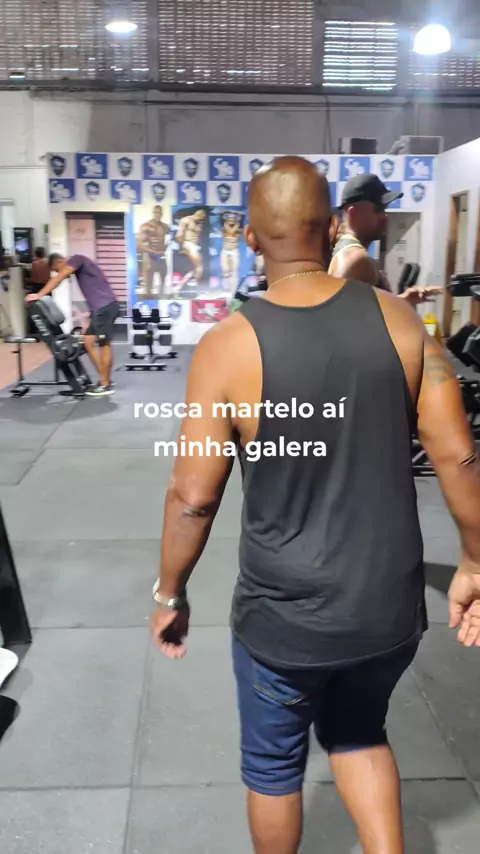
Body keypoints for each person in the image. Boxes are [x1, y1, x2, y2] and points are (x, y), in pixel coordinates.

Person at [150, 157, 480, 854]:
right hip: (386, 607)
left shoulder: (226, 347)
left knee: (274, 767)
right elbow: (458, 455)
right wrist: (475, 562)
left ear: (249, 239)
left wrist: (170, 592)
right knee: (361, 733)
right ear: (332, 228)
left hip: (284, 618)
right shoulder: (401, 323)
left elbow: (193, 498)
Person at [329, 174, 442, 305]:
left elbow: (366, 309)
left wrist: (402, 301)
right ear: (354, 213)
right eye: (379, 209)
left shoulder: (350, 252)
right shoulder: (354, 259)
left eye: (385, 209)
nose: (385, 216)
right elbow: (339, 314)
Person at [25, 253, 119, 396]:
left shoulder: (77, 259)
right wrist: (91, 318)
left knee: (101, 344)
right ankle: (105, 379)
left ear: (60, 262)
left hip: (105, 307)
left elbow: (59, 278)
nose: (59, 272)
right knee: (91, 341)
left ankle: (105, 384)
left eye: (56, 269)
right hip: (102, 308)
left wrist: (39, 295)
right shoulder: (81, 265)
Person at [137, 206, 170, 297]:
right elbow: (140, 245)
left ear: (162, 214)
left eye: (159, 213)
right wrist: (154, 252)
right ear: (153, 213)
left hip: (161, 255)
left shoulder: (165, 227)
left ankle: (161, 299)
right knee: (149, 282)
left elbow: (171, 238)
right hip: (150, 256)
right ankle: (148, 297)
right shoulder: (146, 226)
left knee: (163, 276)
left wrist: (165, 248)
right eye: (156, 212)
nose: (158, 214)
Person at [176, 209, 206, 289]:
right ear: (198, 215)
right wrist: (182, 246)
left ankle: (179, 286)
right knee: (200, 267)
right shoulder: (185, 220)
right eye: (202, 218)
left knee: (193, 268)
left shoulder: (199, 223)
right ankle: (197, 289)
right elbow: (179, 235)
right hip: (188, 244)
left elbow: (198, 236)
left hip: (194, 245)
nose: (202, 220)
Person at [221, 211, 243, 293]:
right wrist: (228, 212)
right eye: (229, 218)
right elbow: (221, 214)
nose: (231, 220)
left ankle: (234, 290)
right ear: (227, 219)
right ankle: (228, 289)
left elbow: (241, 215)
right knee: (225, 271)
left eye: (233, 218)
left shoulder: (238, 226)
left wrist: (235, 213)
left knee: (234, 271)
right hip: (225, 250)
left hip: (234, 250)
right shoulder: (224, 225)